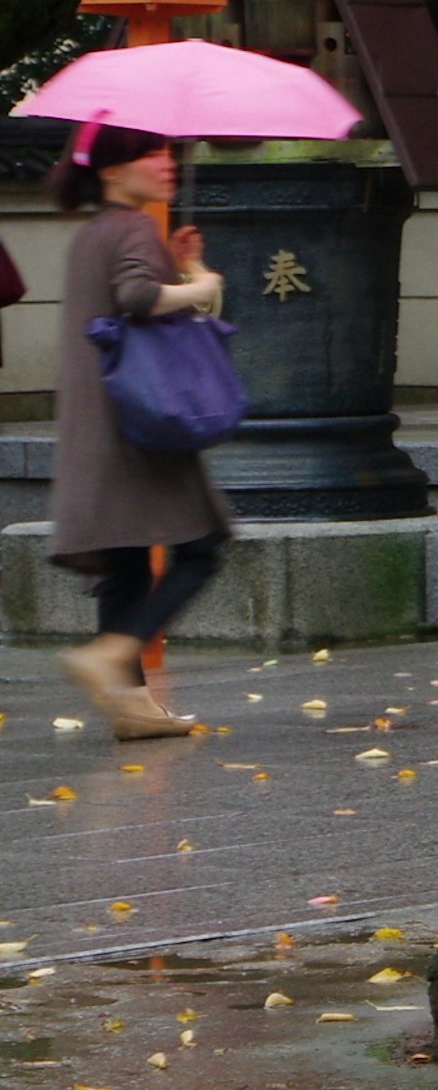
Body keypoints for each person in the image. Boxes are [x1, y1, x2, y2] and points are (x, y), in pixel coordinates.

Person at [47, 124, 231, 737]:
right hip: (140, 425)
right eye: (149, 153)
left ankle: (131, 708)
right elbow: (136, 297)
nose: (166, 161)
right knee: (203, 546)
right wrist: (203, 285)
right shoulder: (130, 227)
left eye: (166, 150)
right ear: (112, 171)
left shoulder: (93, 233)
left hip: (100, 424)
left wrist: (184, 265)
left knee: (125, 564)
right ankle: (117, 652)